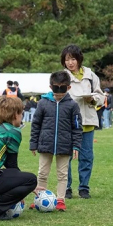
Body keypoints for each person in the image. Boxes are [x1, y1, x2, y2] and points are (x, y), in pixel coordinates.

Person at [29, 71, 83, 211]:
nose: (59, 92)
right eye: (56, 88)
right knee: (42, 173)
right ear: (50, 87)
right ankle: (40, 198)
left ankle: (60, 199)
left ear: (69, 88)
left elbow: (77, 128)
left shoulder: (73, 105)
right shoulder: (43, 103)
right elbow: (36, 124)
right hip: (45, 144)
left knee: (63, 174)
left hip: (65, 146)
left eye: (62, 88)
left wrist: (76, 146)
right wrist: (33, 143)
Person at [60, 44, 105, 199]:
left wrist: (93, 99)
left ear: (79, 59)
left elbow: (101, 96)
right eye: (67, 60)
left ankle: (84, 187)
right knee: (66, 156)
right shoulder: (62, 76)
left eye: (73, 58)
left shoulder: (91, 75)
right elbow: (57, 96)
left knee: (86, 156)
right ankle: (66, 188)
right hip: (68, 122)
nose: (70, 62)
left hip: (87, 121)